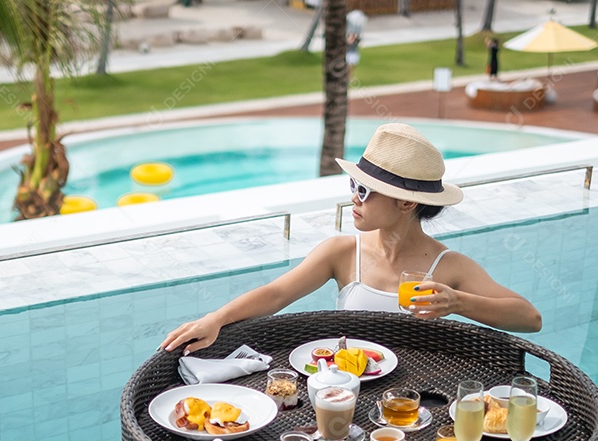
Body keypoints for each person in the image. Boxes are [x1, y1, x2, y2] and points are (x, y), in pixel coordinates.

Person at [161, 123, 541, 355]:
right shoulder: (342, 252)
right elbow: (276, 294)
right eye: (354, 185)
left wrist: (458, 302)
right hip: (346, 389)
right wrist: (216, 318)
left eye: (364, 189)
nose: (353, 199)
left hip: (413, 405)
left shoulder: (450, 267)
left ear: (406, 202)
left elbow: (529, 318)